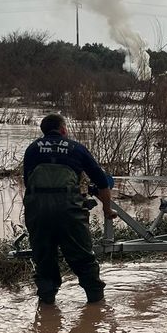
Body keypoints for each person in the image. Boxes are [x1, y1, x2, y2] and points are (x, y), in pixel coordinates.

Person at [22, 113, 117, 305]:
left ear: (44, 131)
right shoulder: (76, 148)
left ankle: (46, 310)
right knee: (84, 259)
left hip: (38, 211)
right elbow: (102, 183)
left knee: (44, 260)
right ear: (63, 129)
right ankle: (97, 309)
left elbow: (28, 182)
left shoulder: (32, 149)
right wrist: (107, 210)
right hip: (69, 210)